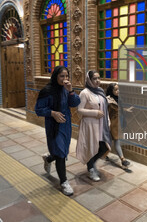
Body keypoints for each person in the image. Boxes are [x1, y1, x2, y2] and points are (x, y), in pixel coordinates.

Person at [35, 66, 80, 196]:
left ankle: (48, 159)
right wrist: (52, 113)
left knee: (63, 151)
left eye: (67, 76)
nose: (65, 79)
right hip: (54, 127)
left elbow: (75, 103)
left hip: (65, 125)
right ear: (55, 76)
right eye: (62, 76)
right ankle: (64, 182)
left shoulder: (66, 89)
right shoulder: (47, 91)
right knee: (60, 153)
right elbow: (38, 109)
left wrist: (71, 91)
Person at [76, 70, 111, 182]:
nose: (97, 81)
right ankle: (91, 169)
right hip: (90, 125)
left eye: (98, 78)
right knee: (92, 147)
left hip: (101, 125)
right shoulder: (85, 93)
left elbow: (104, 108)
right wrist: (94, 113)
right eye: (94, 79)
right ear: (89, 80)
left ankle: (91, 164)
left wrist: (108, 120)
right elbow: (79, 110)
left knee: (103, 147)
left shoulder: (100, 91)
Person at [106, 83, 133, 168]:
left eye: (118, 89)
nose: (118, 91)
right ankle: (123, 159)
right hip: (111, 124)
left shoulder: (118, 99)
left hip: (118, 123)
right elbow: (105, 113)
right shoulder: (108, 100)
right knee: (114, 141)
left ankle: (103, 154)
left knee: (110, 142)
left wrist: (126, 109)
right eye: (115, 90)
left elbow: (118, 109)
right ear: (111, 91)